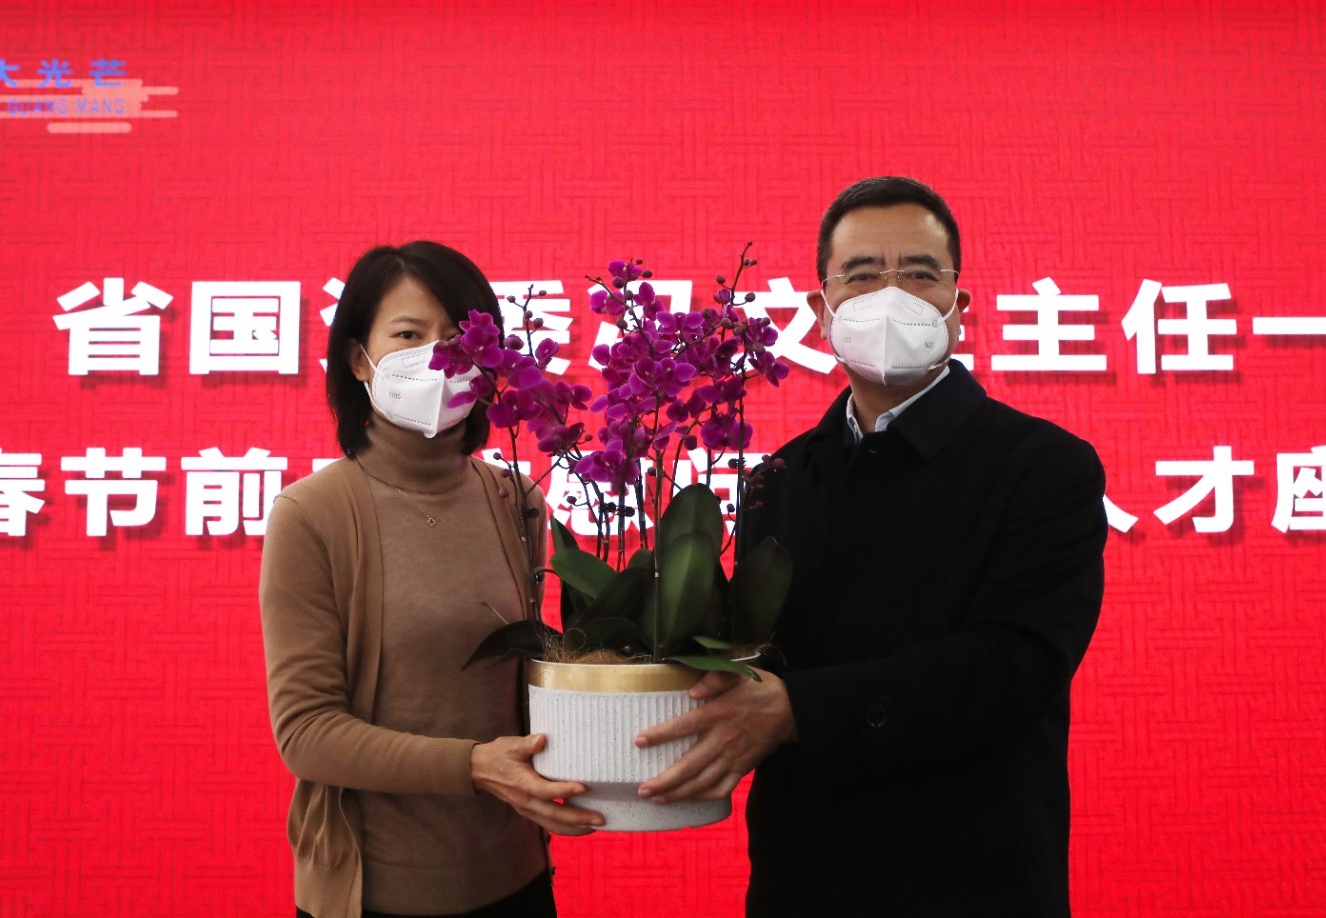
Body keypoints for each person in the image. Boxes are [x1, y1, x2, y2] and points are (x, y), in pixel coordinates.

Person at [634, 177, 1108, 915]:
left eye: (919, 273)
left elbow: (1017, 665)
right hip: (803, 876)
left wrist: (800, 711)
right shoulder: (778, 479)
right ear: (821, 311)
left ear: (959, 305)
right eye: (861, 276)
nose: (892, 295)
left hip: (976, 877)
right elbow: (756, 660)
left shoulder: (1044, 466)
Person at [259, 241, 602, 918]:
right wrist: (474, 766)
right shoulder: (313, 514)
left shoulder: (517, 499)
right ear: (359, 358)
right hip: (375, 892)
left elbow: (524, 678)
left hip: (515, 878)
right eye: (409, 335)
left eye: (457, 339)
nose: (438, 358)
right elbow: (306, 732)